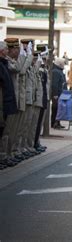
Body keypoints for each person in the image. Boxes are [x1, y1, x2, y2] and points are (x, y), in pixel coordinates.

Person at [0, 41, 18, 169]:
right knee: (4, 130)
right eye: (6, 49)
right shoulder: (2, 64)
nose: (8, 51)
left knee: (7, 130)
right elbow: (18, 69)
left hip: (7, 102)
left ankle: (6, 155)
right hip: (2, 103)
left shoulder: (4, 63)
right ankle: (3, 156)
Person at [51, 58, 67, 129]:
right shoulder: (56, 72)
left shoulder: (58, 71)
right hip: (57, 94)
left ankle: (57, 122)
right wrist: (55, 94)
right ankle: (54, 122)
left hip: (60, 93)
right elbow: (54, 84)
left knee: (59, 108)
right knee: (55, 108)